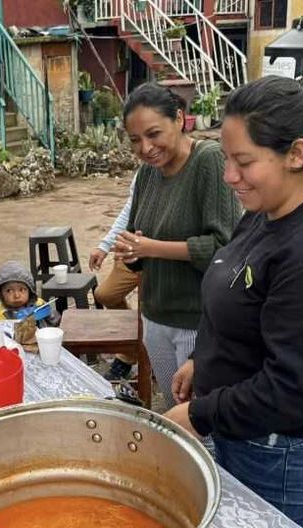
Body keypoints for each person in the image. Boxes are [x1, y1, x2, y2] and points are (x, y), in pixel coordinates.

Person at [163, 73, 303, 528]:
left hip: (279, 454)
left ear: (296, 154)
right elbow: (239, 293)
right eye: (226, 159)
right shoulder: (270, 212)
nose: (228, 176)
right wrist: (204, 359)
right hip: (245, 430)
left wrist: (201, 415)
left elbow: (294, 390)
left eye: (243, 161)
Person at [113, 82, 240, 408]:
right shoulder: (147, 174)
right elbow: (138, 239)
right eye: (135, 140)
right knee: (173, 405)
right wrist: (131, 252)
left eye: (154, 133)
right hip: (155, 317)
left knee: (198, 419)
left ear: (180, 119)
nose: (145, 147)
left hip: (196, 324)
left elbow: (224, 248)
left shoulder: (209, 161)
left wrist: (150, 247)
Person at [89, 177, 140, 380]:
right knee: (106, 295)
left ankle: (128, 356)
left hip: (163, 257)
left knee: (151, 312)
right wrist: (104, 246)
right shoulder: (144, 173)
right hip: (131, 249)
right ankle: (134, 347)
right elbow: (129, 210)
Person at [0, 260, 59, 327]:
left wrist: (53, 317)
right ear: (0, 293)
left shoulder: (39, 304)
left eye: (21, 289)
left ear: (29, 290)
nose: (17, 295)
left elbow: (54, 322)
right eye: (9, 291)